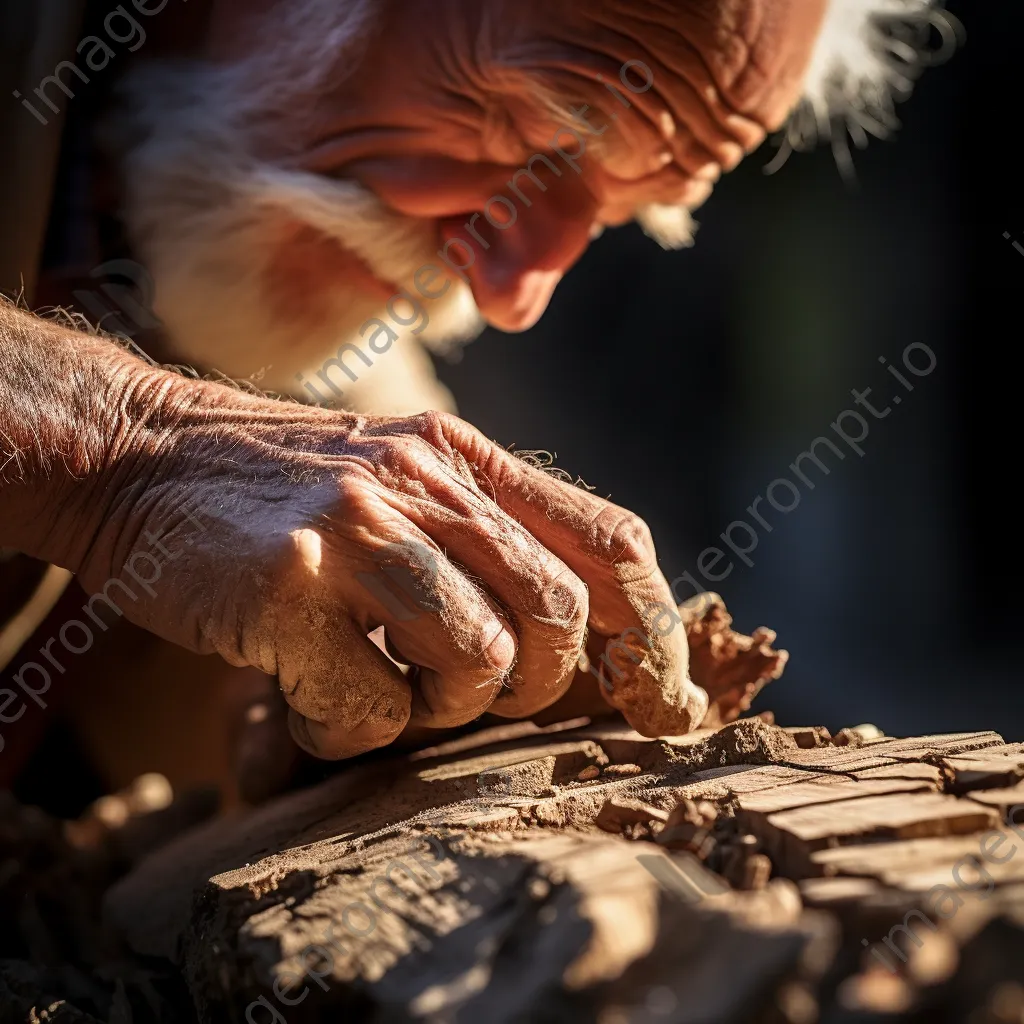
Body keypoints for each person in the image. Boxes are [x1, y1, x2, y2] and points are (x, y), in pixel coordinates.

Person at [0, 0, 951, 797]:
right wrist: (121, 453)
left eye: (621, 212)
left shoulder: (333, 364)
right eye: (531, 129)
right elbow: (164, 464)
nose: (512, 294)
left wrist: (367, 711)